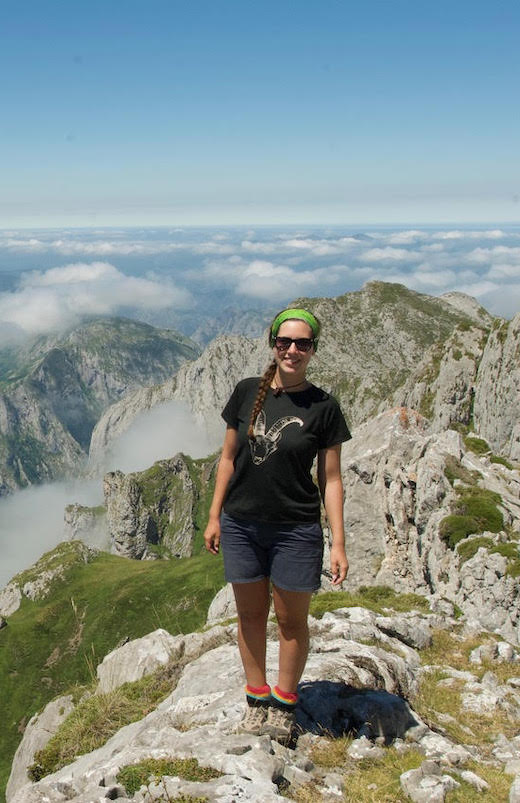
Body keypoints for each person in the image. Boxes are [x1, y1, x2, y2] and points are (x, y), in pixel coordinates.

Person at [202, 307, 350, 742]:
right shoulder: (248, 392)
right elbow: (227, 458)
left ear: (313, 350)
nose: (292, 350)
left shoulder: (324, 408)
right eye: (284, 342)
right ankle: (256, 700)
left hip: (296, 530)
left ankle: (284, 705)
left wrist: (338, 541)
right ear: (273, 344)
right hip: (242, 524)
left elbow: (332, 479)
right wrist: (214, 517)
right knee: (249, 616)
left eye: (302, 343)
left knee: (291, 622)